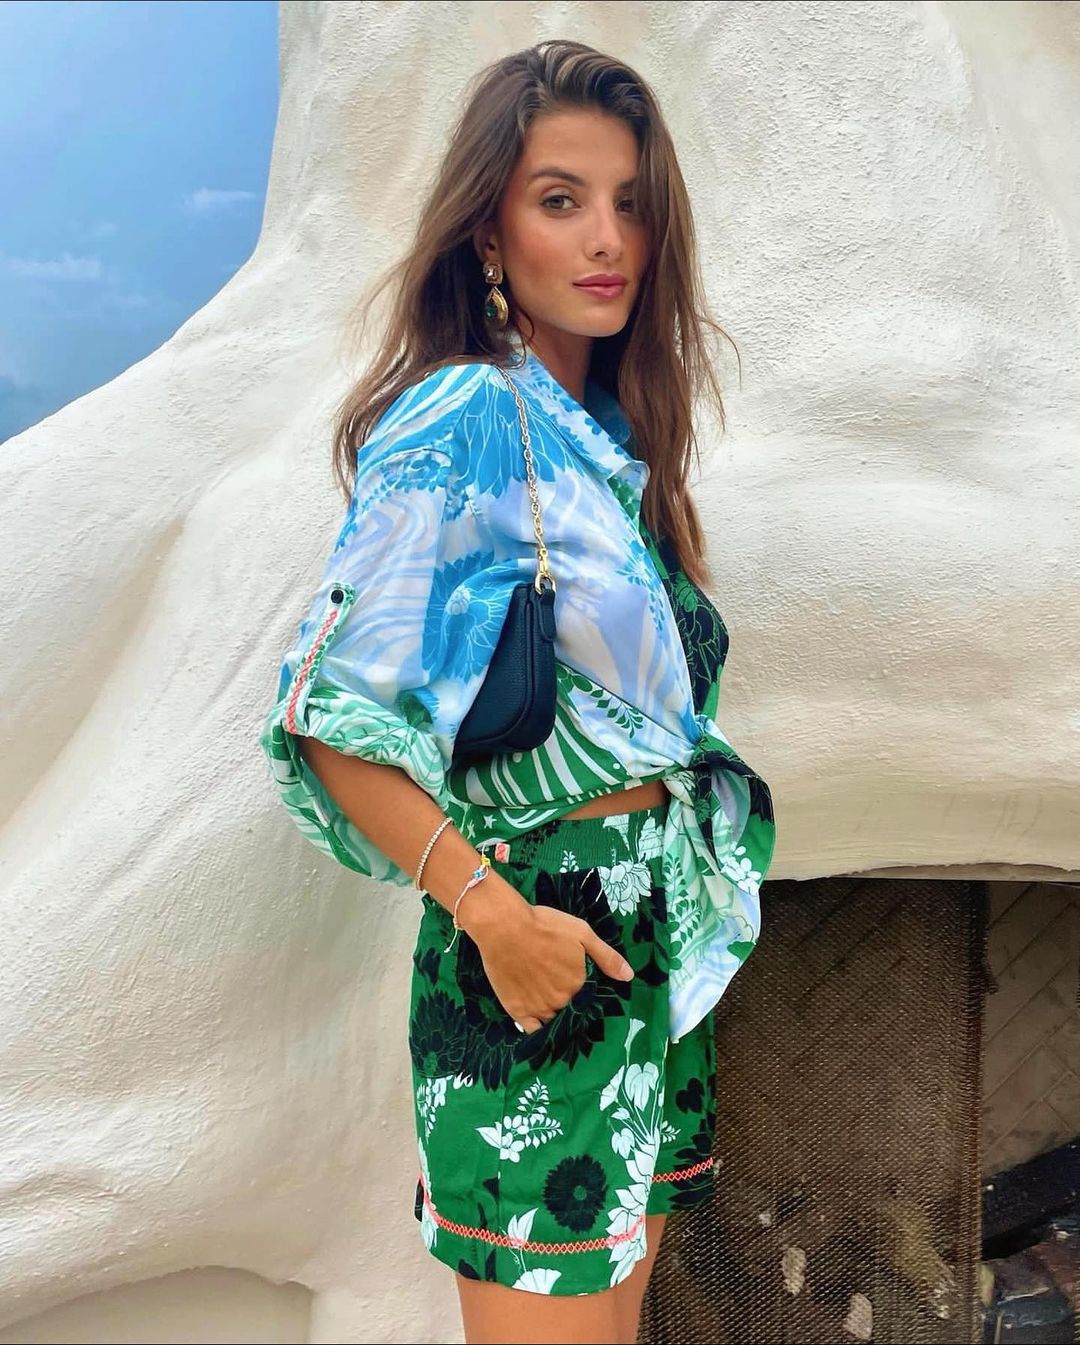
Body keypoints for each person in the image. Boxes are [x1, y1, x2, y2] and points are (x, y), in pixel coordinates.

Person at [258, 38, 776, 1345]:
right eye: (561, 199)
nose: (607, 238)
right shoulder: (466, 420)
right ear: (489, 230)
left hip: (648, 947)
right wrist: (495, 918)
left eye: (630, 203)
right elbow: (332, 720)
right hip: (540, 945)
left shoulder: (612, 449)